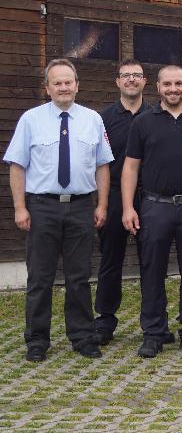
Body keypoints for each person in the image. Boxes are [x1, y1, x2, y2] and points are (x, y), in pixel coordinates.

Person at [4, 58, 113, 362]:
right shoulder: (31, 119)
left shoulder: (93, 119)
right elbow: (17, 166)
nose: (64, 87)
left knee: (79, 277)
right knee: (40, 278)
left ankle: (82, 336)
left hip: (80, 207)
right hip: (42, 208)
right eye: (57, 83)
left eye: (69, 82)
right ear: (47, 87)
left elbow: (103, 165)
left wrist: (101, 204)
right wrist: (20, 208)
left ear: (77, 85)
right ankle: (37, 340)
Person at [121, 65, 182, 358]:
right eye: (167, 84)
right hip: (155, 207)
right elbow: (130, 166)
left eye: (178, 83)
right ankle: (154, 333)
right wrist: (128, 207)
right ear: (158, 87)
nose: (173, 89)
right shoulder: (142, 123)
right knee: (152, 271)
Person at [93, 59, 150, 346]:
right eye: (126, 76)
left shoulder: (156, 115)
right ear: (117, 82)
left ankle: (154, 322)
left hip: (149, 197)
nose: (131, 80)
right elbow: (96, 163)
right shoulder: (102, 119)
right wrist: (101, 203)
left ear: (144, 81)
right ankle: (105, 320)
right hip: (114, 195)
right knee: (110, 261)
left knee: (151, 263)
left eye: (136, 76)